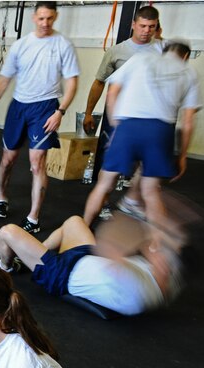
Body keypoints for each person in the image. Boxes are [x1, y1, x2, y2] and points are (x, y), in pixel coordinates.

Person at [0, 1, 79, 234]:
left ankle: (33, 217)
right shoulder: (21, 45)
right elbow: (3, 81)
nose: (45, 23)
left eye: (49, 18)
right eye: (41, 18)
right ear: (34, 17)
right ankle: (2, 198)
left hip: (45, 107)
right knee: (7, 160)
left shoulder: (63, 45)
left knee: (37, 162)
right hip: (19, 107)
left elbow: (72, 82)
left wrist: (60, 111)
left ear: (55, 17)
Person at [81, 41, 200, 231]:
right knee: (151, 191)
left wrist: (115, 127)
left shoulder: (141, 58)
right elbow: (187, 123)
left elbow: (112, 91)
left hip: (129, 125)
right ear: (185, 57)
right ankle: (157, 247)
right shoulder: (189, 72)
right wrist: (183, 155)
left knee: (104, 184)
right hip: (161, 130)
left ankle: (82, 230)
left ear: (164, 52)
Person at [0, 215, 182, 316]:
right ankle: (29, 256)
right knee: (74, 222)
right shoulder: (165, 279)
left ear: (165, 271)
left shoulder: (137, 291)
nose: (156, 255)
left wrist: (144, 234)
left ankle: (5, 266)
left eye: (161, 259)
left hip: (63, 273)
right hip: (87, 257)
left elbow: (112, 238)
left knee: (7, 231)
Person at [81, 6, 161, 216]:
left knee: (147, 165)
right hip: (118, 116)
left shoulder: (161, 50)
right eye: (142, 26)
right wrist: (89, 112)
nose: (146, 31)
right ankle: (104, 203)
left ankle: (133, 203)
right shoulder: (117, 51)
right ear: (133, 25)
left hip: (147, 117)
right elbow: (99, 82)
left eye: (151, 27)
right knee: (110, 164)